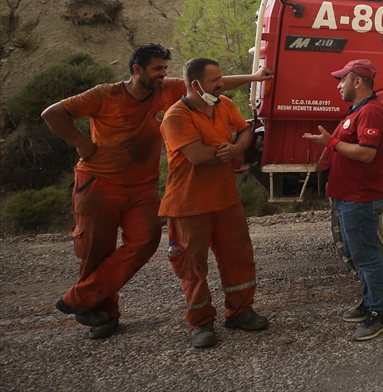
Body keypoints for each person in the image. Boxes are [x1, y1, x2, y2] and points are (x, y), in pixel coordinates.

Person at [41, 44, 268, 340]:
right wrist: (82, 144)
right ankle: (100, 313)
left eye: (165, 69)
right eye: (157, 69)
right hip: (99, 182)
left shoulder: (169, 89)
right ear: (137, 70)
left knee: (146, 242)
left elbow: (215, 82)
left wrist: (255, 77)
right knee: (96, 251)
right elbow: (53, 113)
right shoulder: (104, 94)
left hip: (143, 184)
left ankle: (81, 299)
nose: (163, 74)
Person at [160, 57, 271, 348]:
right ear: (196, 85)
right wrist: (224, 153)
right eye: (215, 80)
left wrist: (236, 147)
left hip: (225, 200)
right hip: (188, 205)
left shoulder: (223, 104)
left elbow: (245, 130)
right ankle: (201, 324)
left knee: (239, 256)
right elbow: (196, 155)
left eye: (220, 78)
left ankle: (240, 312)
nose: (221, 84)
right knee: (193, 267)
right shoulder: (176, 116)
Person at [301, 58, 383, 342]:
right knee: (357, 255)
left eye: (342, 80)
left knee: (366, 256)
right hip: (347, 196)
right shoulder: (357, 110)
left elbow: (367, 153)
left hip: (360, 197)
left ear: (358, 82)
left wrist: (331, 142)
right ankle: (369, 304)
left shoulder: (371, 112)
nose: (339, 85)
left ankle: (381, 314)